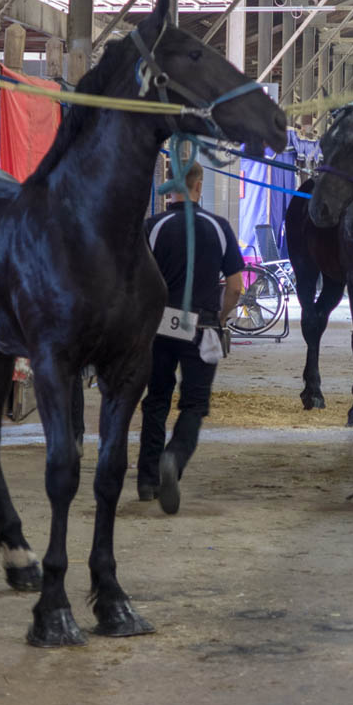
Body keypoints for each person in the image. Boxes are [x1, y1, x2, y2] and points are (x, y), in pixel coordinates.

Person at [137, 161, 244, 515]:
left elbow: (134, 281)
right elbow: (235, 287)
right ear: (199, 186)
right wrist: (221, 317)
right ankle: (174, 457)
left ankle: (147, 479)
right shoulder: (218, 227)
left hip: (158, 326)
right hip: (201, 327)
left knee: (156, 399)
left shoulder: (152, 227)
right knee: (193, 405)